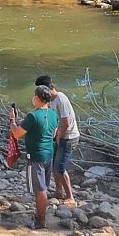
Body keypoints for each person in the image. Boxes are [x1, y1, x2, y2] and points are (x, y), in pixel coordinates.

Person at [9, 85, 58, 229]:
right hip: (49, 154)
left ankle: (40, 221)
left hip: (35, 156)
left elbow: (17, 133)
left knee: (40, 190)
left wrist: (12, 120)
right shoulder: (53, 114)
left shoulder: (32, 116)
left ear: (37, 98)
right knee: (44, 187)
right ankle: (40, 216)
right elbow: (54, 134)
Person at [35, 75, 81, 207]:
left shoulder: (61, 99)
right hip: (60, 135)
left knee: (59, 167)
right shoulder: (51, 101)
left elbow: (66, 122)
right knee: (54, 164)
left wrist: (59, 135)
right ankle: (58, 192)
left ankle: (70, 196)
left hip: (69, 137)